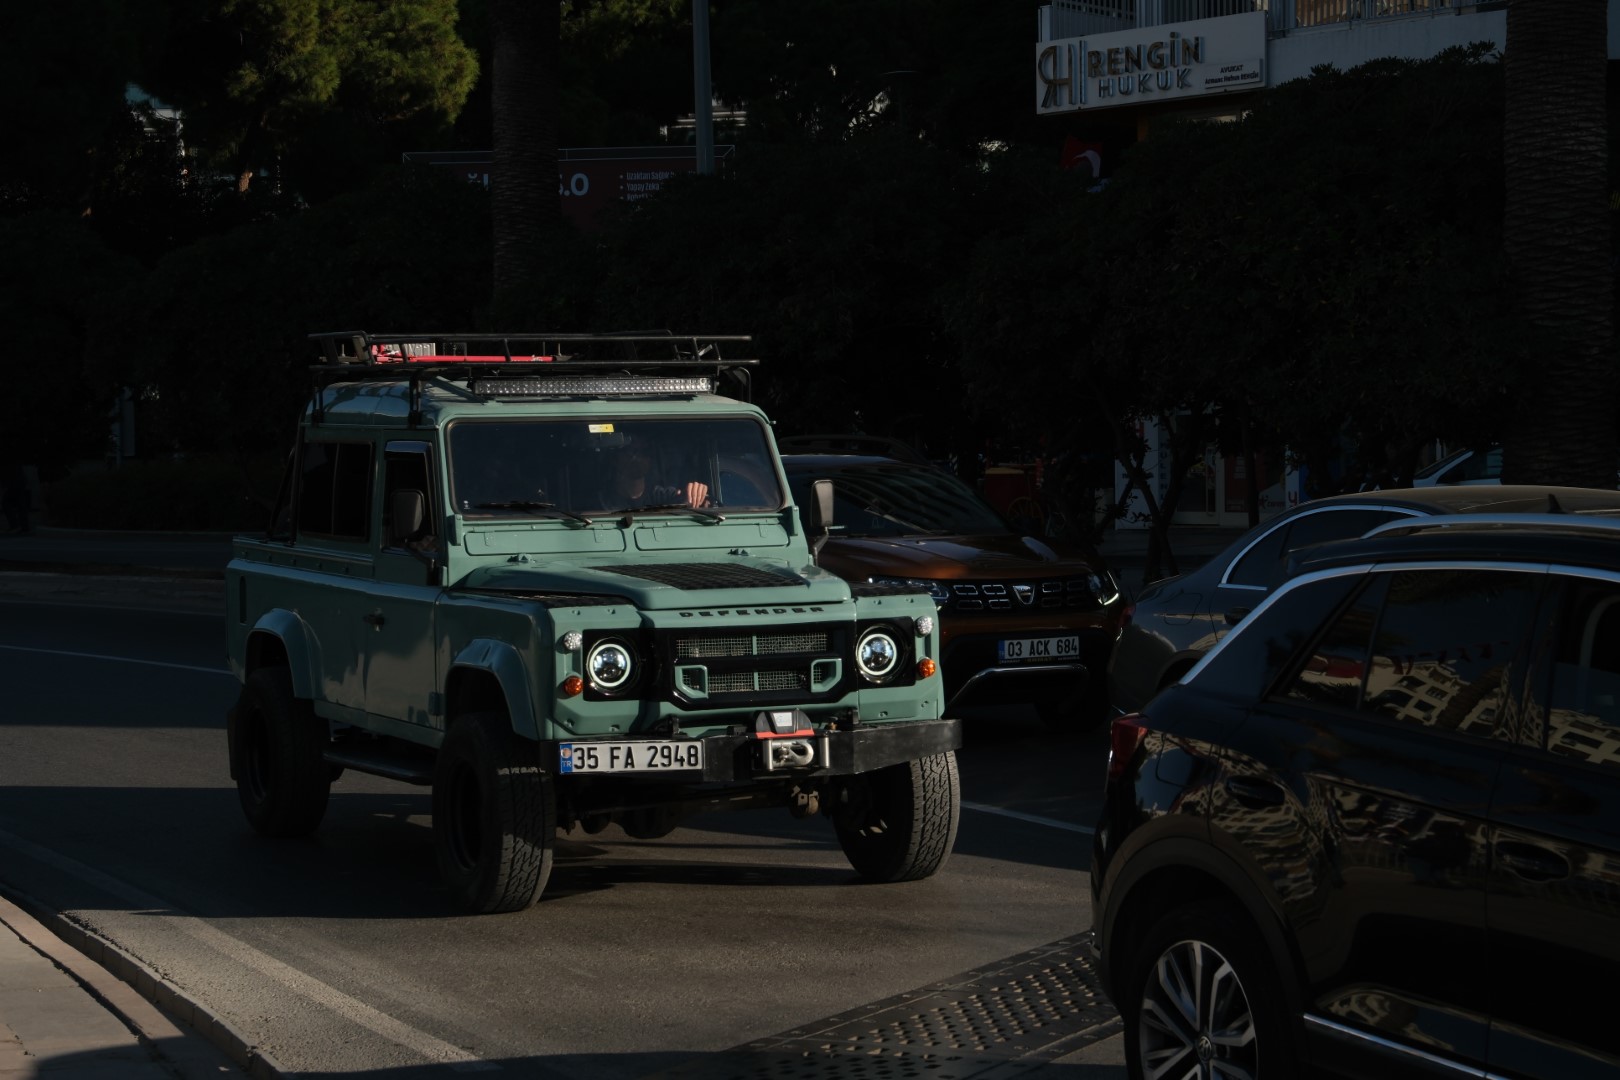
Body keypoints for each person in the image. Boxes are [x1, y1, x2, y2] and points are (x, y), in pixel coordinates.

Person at [597, 447, 709, 509]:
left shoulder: (661, 496)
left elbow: (687, 500)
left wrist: (697, 494)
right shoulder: (600, 501)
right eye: (630, 452)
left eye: (644, 453)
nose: (636, 458)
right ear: (615, 460)